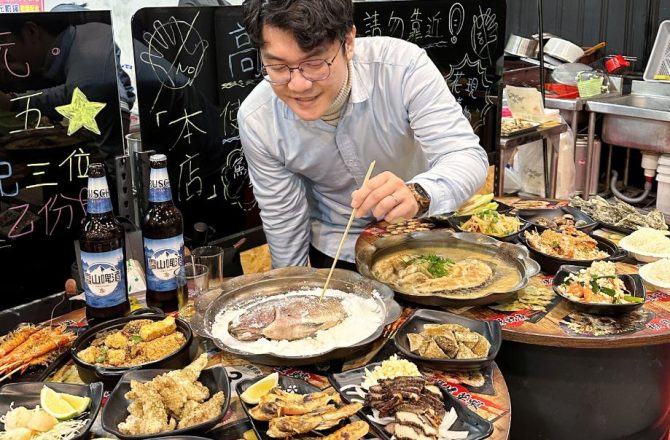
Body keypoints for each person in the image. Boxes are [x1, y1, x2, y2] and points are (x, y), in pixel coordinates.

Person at [238, 0, 488, 270]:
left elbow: (465, 156)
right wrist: (292, 290)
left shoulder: (402, 68)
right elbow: (284, 219)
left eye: (315, 63)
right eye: (278, 67)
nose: (298, 85)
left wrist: (418, 193)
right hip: (337, 252)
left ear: (348, 42)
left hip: (424, 237)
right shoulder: (259, 118)